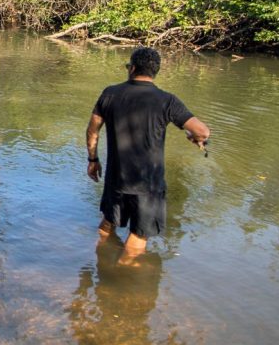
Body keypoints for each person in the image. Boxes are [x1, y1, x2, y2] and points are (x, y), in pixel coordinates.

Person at [85, 47, 210, 264]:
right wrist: (193, 137)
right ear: (155, 72)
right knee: (138, 236)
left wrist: (93, 160)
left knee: (107, 224)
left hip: (116, 179)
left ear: (132, 68)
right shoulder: (167, 101)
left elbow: (92, 129)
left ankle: (101, 262)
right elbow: (202, 131)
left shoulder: (109, 93)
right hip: (148, 184)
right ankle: (118, 285)